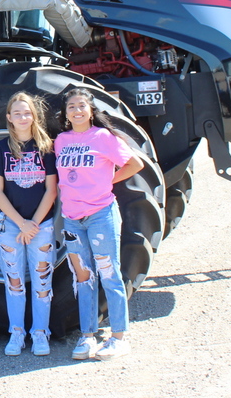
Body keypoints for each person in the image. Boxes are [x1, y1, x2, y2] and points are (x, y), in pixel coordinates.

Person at [55, 87, 144, 361]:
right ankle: (87, 336)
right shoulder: (61, 140)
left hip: (100, 215)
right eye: (72, 107)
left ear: (91, 110)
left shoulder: (103, 137)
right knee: (83, 277)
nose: (77, 110)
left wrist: (108, 182)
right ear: (66, 113)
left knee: (109, 273)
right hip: (72, 218)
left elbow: (135, 164)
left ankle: (118, 337)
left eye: (82, 105)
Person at [0, 93, 58, 357]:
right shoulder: (0, 149)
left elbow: (51, 191)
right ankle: (16, 333)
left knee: (42, 281)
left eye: (26, 112)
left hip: (42, 226)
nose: (22, 117)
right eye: (16, 113)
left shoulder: (46, 147)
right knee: (14, 282)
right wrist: (21, 224)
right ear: (9, 117)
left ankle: (40, 334)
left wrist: (34, 225)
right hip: (9, 225)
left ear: (34, 115)